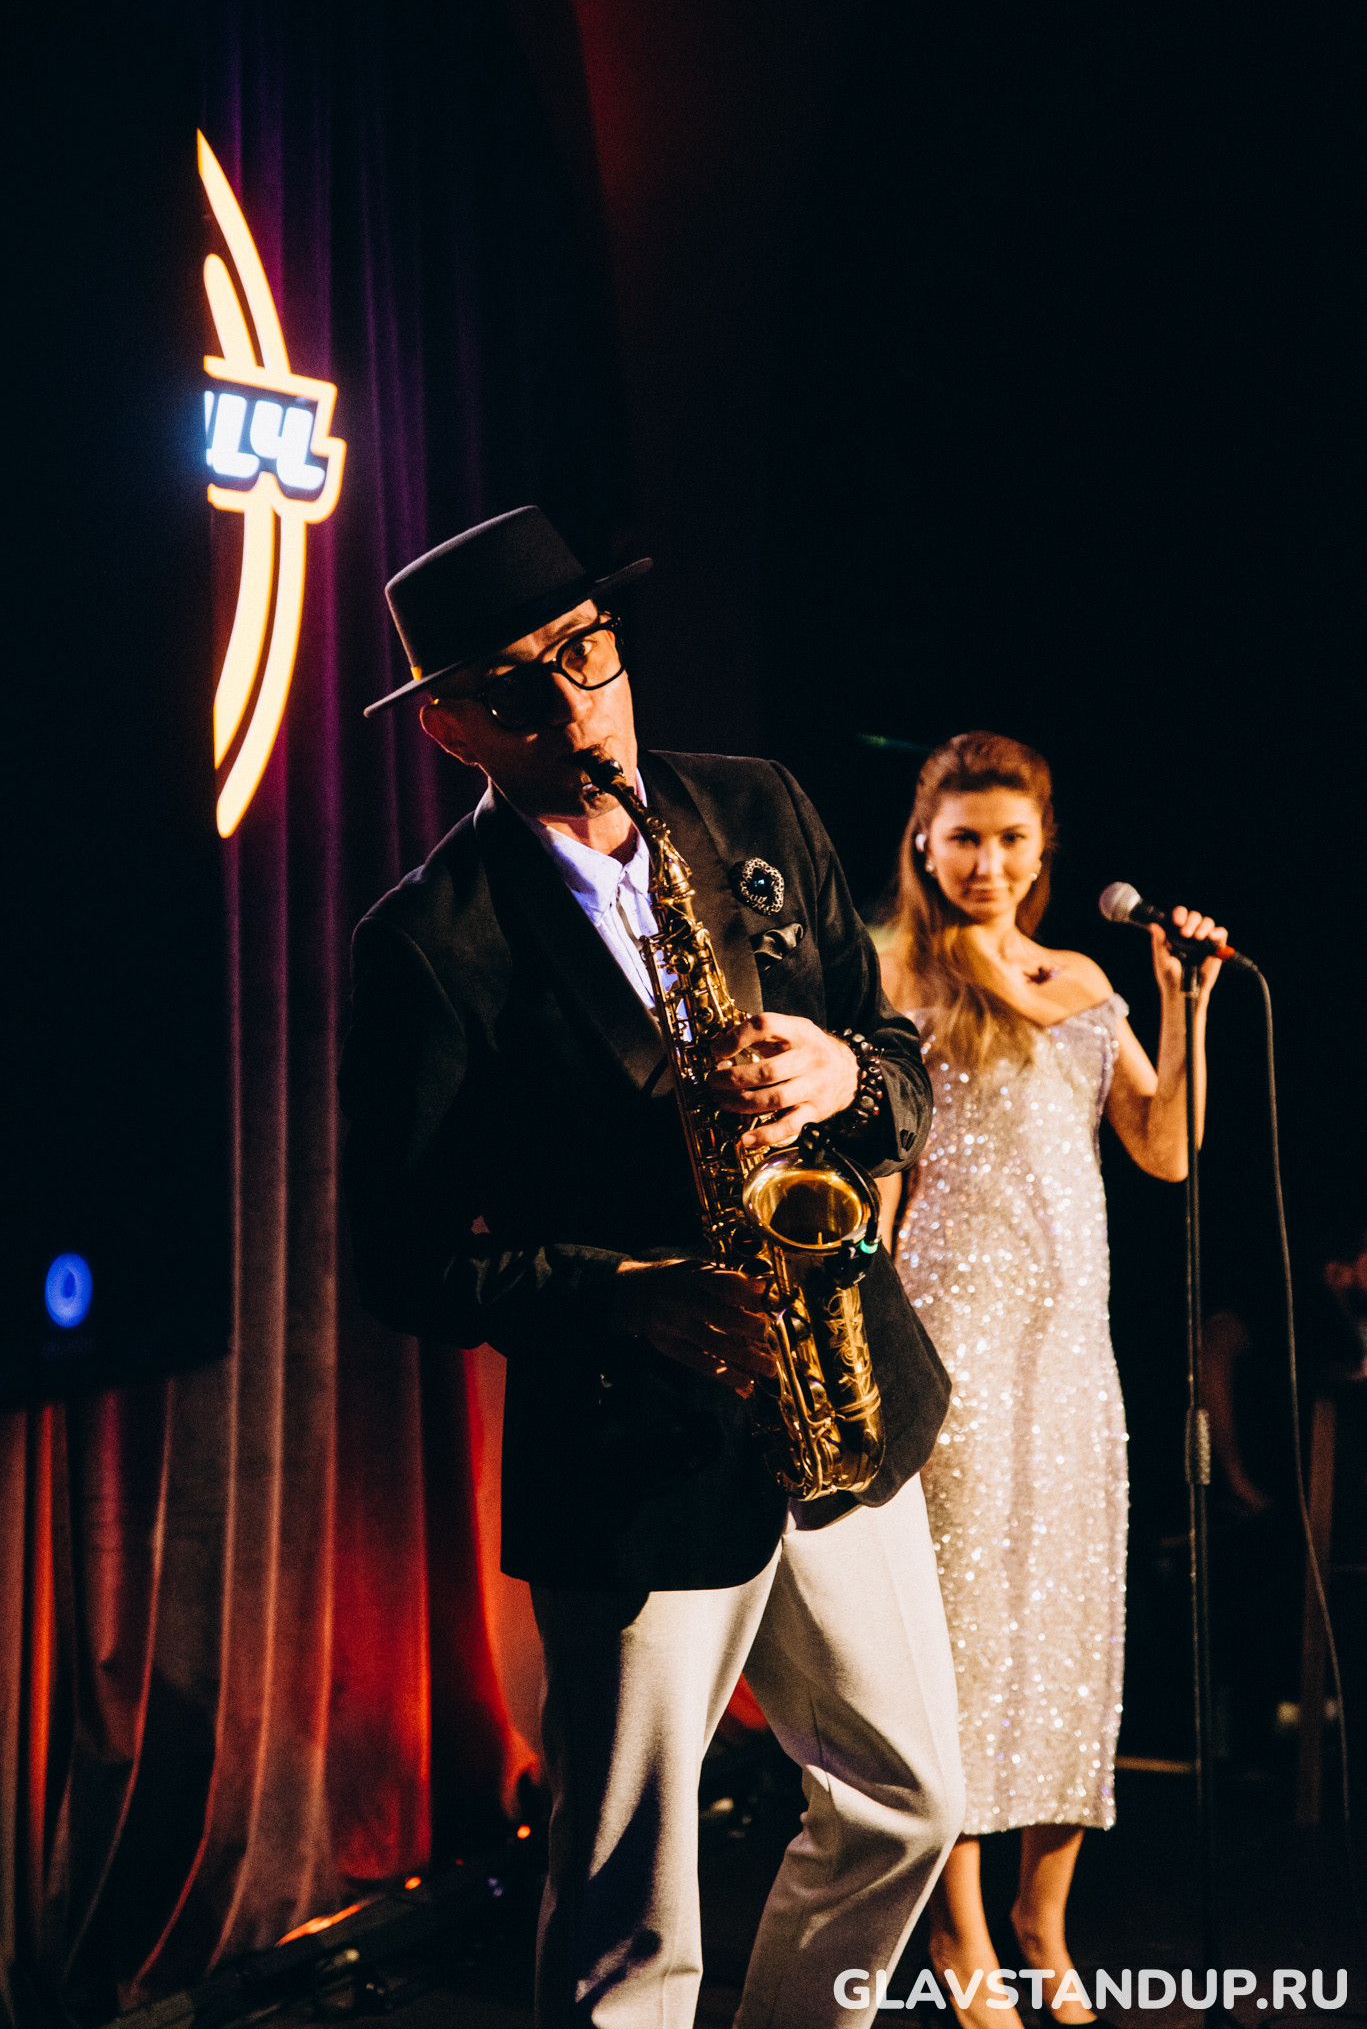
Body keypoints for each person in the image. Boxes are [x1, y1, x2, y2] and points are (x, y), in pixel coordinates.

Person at [339, 506, 964, 2029]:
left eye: (585, 656)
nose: (575, 712)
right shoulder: (430, 940)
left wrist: (846, 1075)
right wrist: (621, 1291)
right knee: (630, 1917)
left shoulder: (756, 806)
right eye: (516, 692)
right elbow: (402, 1265)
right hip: (631, 1448)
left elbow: (893, 1052)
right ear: (447, 728)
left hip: (835, 1386)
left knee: (912, 1804)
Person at [875, 732, 1226, 2029]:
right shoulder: (894, 975)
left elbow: (1165, 1147)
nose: (989, 861)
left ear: (1042, 850)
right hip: (949, 1339)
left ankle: (1044, 1921)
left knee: (1070, 1635)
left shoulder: (1079, 976)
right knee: (962, 1642)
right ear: (925, 843)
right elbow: (881, 1181)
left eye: (1011, 839)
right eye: (965, 836)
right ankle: (960, 1934)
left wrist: (1180, 1002)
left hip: (1070, 1353)